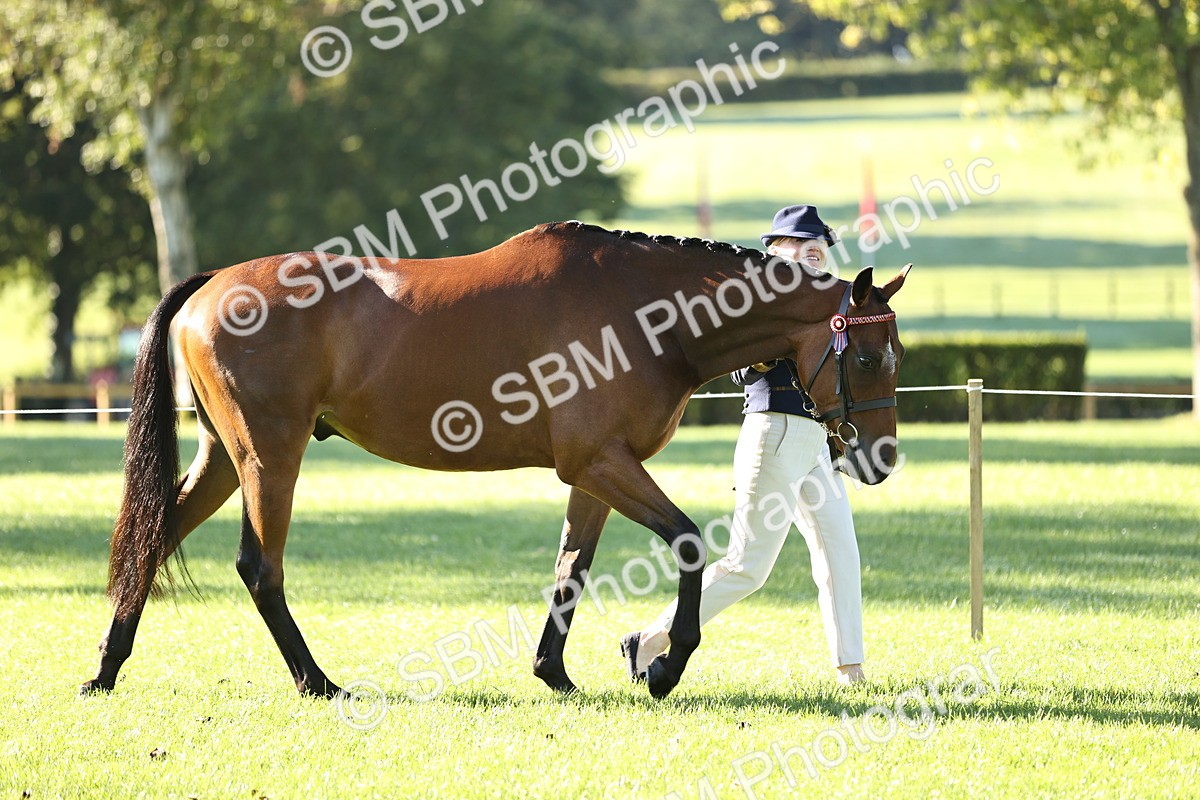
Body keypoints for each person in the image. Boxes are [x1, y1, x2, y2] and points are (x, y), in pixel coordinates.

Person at [621, 204, 867, 687]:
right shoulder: (760, 301)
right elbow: (736, 368)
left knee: (840, 550)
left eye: (821, 249)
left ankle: (850, 668)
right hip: (774, 432)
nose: (819, 258)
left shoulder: (829, 306)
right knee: (747, 566)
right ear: (781, 251)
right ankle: (650, 639)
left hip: (813, 438)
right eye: (807, 247)